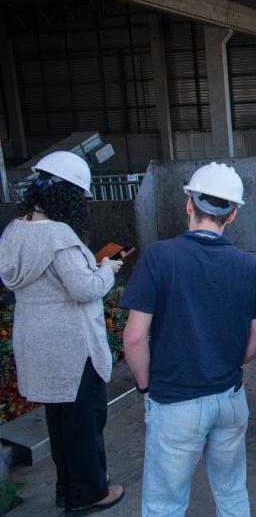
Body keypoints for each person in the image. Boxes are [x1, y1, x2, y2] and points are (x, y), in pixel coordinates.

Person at [120, 162, 256, 516]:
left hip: (174, 401)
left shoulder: (158, 257)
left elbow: (134, 338)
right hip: (229, 400)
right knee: (232, 493)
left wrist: (146, 390)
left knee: (164, 503)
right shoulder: (249, 266)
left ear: (189, 204)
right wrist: (230, 361)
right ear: (232, 215)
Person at [0, 152, 125, 515]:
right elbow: (84, 289)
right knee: (85, 421)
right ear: (68, 196)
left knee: (60, 421)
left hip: (36, 341)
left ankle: (66, 489)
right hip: (72, 347)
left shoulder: (15, 229)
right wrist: (108, 269)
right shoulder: (59, 236)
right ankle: (88, 493)